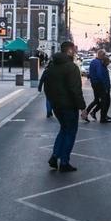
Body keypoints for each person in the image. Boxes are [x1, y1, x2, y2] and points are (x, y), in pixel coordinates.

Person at [40, 41, 85, 172]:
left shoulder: (52, 66)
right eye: (74, 49)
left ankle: (55, 156)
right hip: (69, 106)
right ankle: (64, 162)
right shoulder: (71, 67)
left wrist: (52, 102)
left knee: (63, 130)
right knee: (70, 132)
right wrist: (83, 107)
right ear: (69, 51)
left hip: (56, 105)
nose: (75, 51)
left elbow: (46, 87)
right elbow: (75, 89)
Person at [86, 50, 111, 123]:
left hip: (95, 84)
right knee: (105, 101)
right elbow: (100, 75)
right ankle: (102, 117)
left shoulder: (94, 62)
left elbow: (91, 73)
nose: (104, 57)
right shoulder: (99, 63)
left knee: (97, 100)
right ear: (101, 55)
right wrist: (105, 86)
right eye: (104, 55)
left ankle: (88, 113)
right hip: (99, 85)